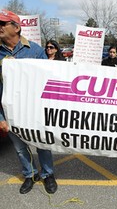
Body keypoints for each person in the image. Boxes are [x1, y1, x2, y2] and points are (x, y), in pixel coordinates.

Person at [0, 10, 57, 194]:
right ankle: (30, 174)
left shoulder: (36, 50)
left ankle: (48, 174)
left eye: (3, 24)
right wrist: (0, 117)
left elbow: (48, 82)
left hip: (34, 111)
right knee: (19, 148)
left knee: (42, 145)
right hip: (9, 112)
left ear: (16, 28)